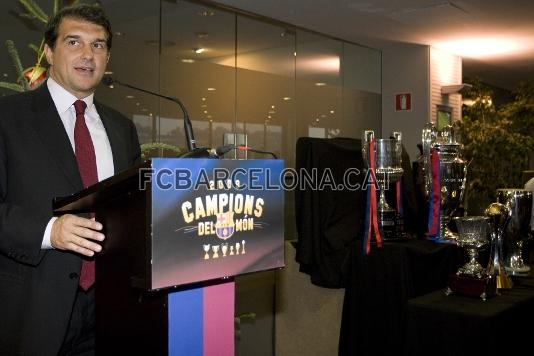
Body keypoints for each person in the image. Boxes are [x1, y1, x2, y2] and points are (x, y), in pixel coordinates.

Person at [0, 4, 140, 355]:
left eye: (98, 45)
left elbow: (134, 208)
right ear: (48, 51)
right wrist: (50, 232)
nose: (87, 55)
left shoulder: (122, 128)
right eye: (74, 42)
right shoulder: (8, 118)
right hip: (31, 311)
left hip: (111, 308)